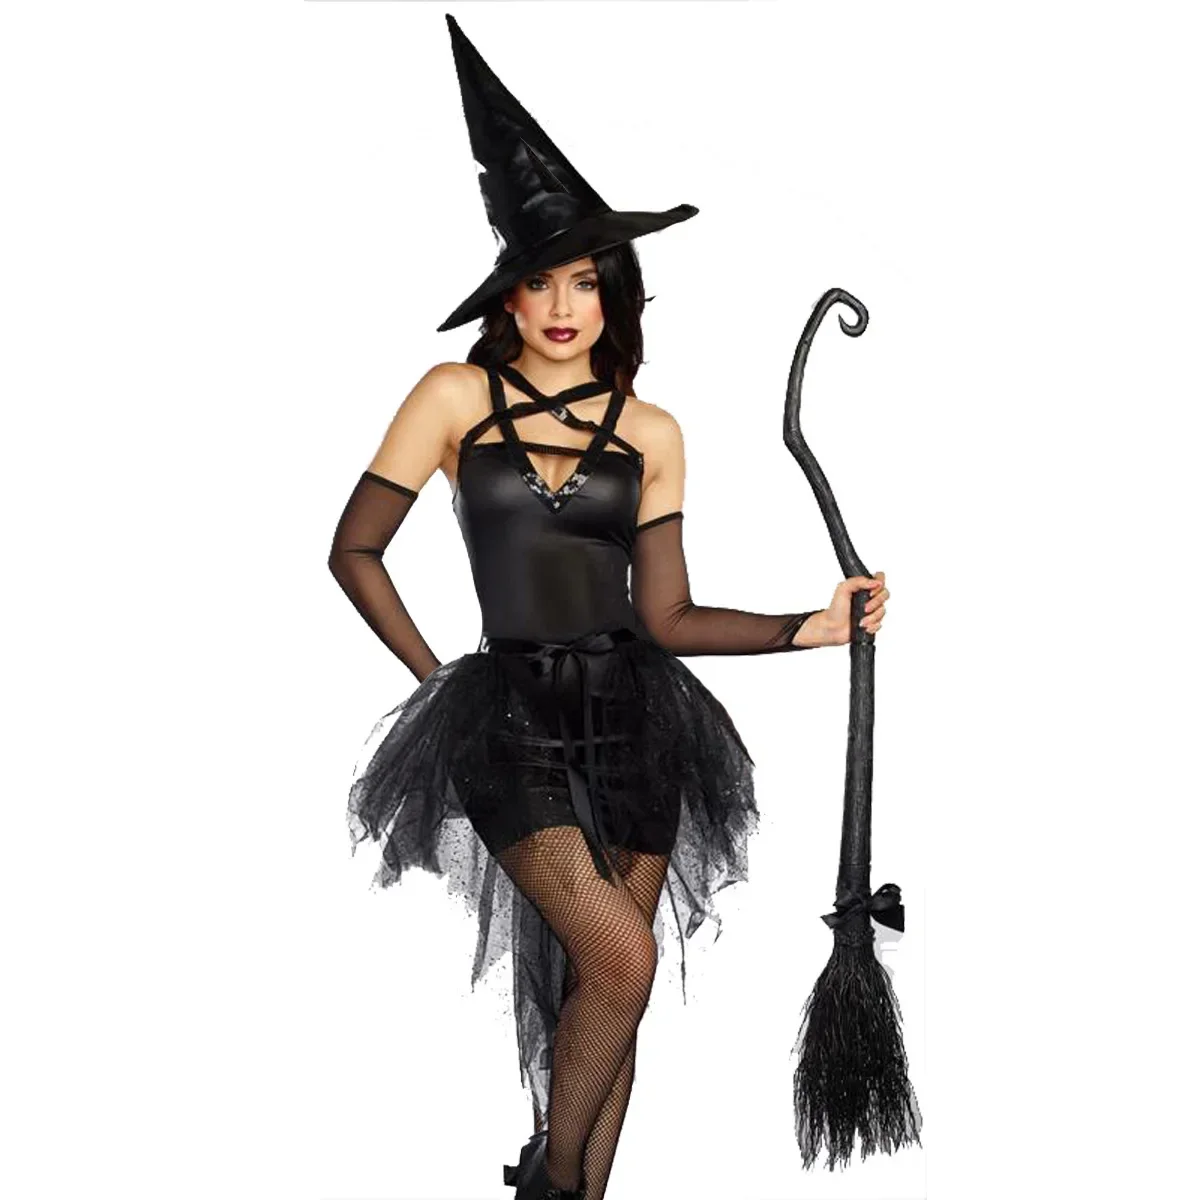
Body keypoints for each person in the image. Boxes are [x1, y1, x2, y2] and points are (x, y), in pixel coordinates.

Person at [327, 17, 888, 1200]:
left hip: (641, 716)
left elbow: (669, 616)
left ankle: (575, 1189)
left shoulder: (652, 431)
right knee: (623, 960)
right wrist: (440, 683)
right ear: (510, 294)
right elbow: (356, 550)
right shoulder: (451, 396)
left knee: (611, 992)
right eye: (540, 280)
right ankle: (552, 1185)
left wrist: (809, 625)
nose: (563, 304)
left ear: (613, 288)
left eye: (585, 279)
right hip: (508, 718)